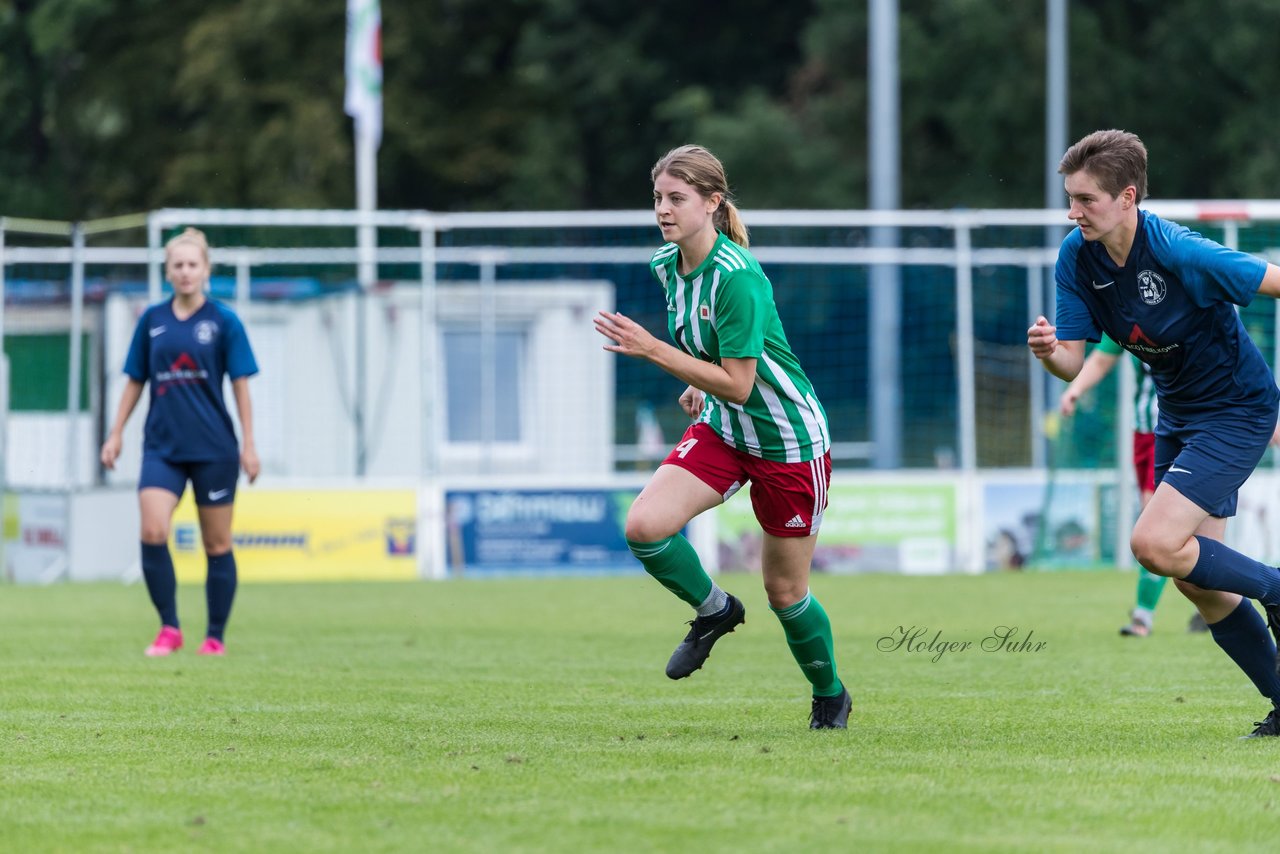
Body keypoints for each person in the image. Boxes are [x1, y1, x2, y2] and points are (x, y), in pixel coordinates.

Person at [1028, 129, 1280, 737]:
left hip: (1237, 410)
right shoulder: (1076, 255)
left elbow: (1272, 279)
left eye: (1086, 199)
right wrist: (1048, 353)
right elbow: (1072, 357)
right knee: (1201, 583)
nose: (1073, 211)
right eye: (1071, 197)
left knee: (1153, 545)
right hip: (1178, 416)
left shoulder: (1181, 252)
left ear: (1128, 197)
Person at [593, 144, 850, 729]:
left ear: (712, 203)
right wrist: (697, 383)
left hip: (788, 442)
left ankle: (829, 693)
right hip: (726, 430)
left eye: (676, 198)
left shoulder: (739, 278)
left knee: (785, 593)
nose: (663, 209)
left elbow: (739, 383)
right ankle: (714, 611)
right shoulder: (667, 265)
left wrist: (657, 351)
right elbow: (715, 369)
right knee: (644, 526)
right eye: (658, 197)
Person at [101, 227, 260, 657]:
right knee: (153, 530)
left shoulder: (224, 321)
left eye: (193, 265)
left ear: (206, 270)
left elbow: (242, 385)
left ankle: (215, 636)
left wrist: (249, 444)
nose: (186, 272)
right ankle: (169, 628)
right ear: (168, 272)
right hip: (162, 447)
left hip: (214, 449)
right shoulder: (152, 321)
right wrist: (115, 433)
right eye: (178, 266)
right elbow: (135, 380)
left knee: (217, 544)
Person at [1058, 333, 1209, 636]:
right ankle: (1153, 612)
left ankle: (1154, 613)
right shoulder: (1128, 316)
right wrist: (1075, 389)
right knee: (1157, 525)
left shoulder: (1196, 306)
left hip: (1194, 426)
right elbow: (1102, 357)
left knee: (1179, 525)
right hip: (1147, 433)